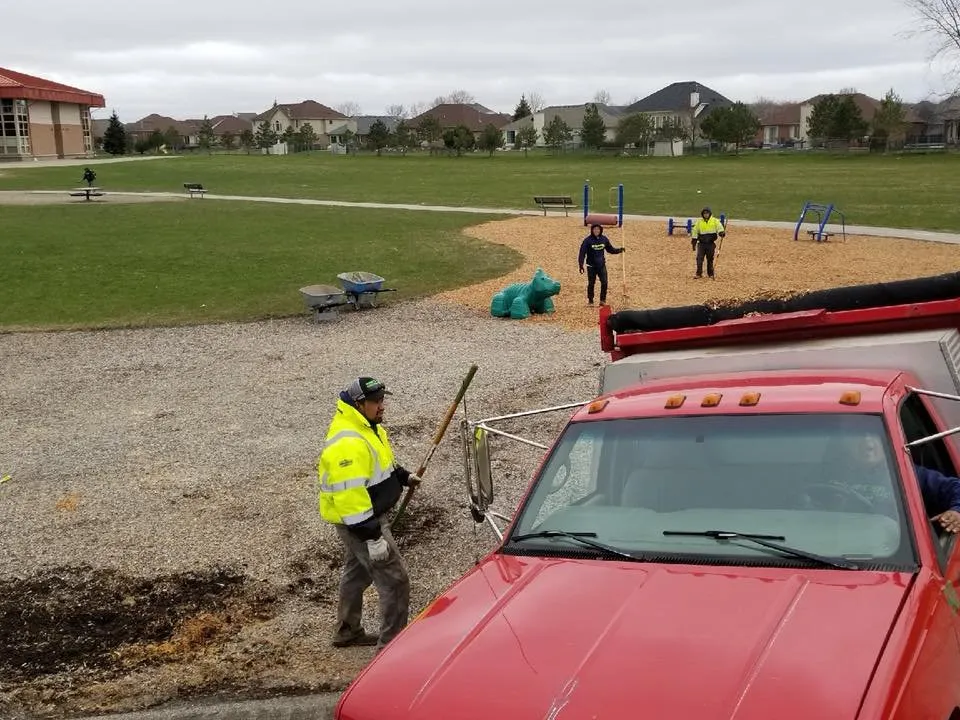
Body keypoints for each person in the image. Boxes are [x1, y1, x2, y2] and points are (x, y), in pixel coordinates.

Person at [316, 376, 422, 652]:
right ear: (358, 404)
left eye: (382, 399)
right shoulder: (347, 444)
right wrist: (373, 537)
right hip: (362, 523)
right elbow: (350, 498)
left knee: (358, 574)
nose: (382, 405)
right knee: (395, 581)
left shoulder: (368, 427)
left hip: (365, 519)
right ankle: (390, 650)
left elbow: (380, 464)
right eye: (376, 401)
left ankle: (347, 630)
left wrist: (402, 476)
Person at [578, 223, 625, 306]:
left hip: (601, 266)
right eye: (594, 229)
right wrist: (581, 265)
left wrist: (619, 250)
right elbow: (582, 253)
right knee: (591, 284)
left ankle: (602, 300)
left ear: (600, 230)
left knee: (604, 282)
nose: (596, 231)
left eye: (598, 229)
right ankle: (590, 301)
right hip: (591, 266)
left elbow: (610, 249)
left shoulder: (604, 239)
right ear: (592, 230)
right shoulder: (587, 240)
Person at [690, 207, 725, 279]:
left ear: (710, 214)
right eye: (704, 213)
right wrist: (694, 240)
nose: (706, 215)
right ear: (702, 214)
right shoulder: (699, 222)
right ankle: (698, 273)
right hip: (701, 244)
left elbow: (719, 227)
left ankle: (710, 273)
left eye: (707, 213)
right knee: (699, 259)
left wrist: (721, 232)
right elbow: (695, 231)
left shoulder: (715, 221)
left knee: (710, 259)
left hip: (710, 244)